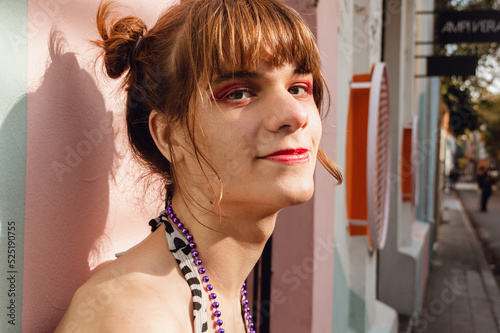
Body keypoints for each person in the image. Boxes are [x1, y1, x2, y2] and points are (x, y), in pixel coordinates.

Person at [56, 0, 342, 332]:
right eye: (239, 93)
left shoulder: (219, 292)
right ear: (168, 136)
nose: (296, 115)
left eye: (298, 88)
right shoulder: (134, 316)